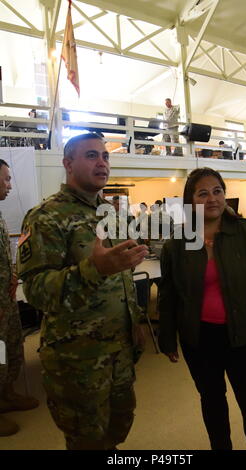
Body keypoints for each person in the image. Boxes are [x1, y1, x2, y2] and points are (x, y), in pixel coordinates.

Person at [17, 133, 149, 450]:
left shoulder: (112, 213)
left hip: (119, 352)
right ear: (67, 164)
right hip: (78, 363)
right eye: (91, 155)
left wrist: (136, 321)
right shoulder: (45, 217)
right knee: (87, 440)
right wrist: (94, 270)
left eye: (105, 156)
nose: (102, 162)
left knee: (117, 429)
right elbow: (35, 290)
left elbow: (123, 278)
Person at [158, 167, 246, 450]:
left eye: (217, 191)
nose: (212, 198)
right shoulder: (178, 245)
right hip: (200, 340)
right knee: (213, 403)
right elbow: (168, 297)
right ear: (190, 201)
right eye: (203, 193)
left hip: (244, 336)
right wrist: (166, 338)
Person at [0, 159, 39, 437]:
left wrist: (13, 277)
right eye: (5, 179)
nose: (10, 185)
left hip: (6, 299)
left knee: (12, 349)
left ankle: (6, 394)